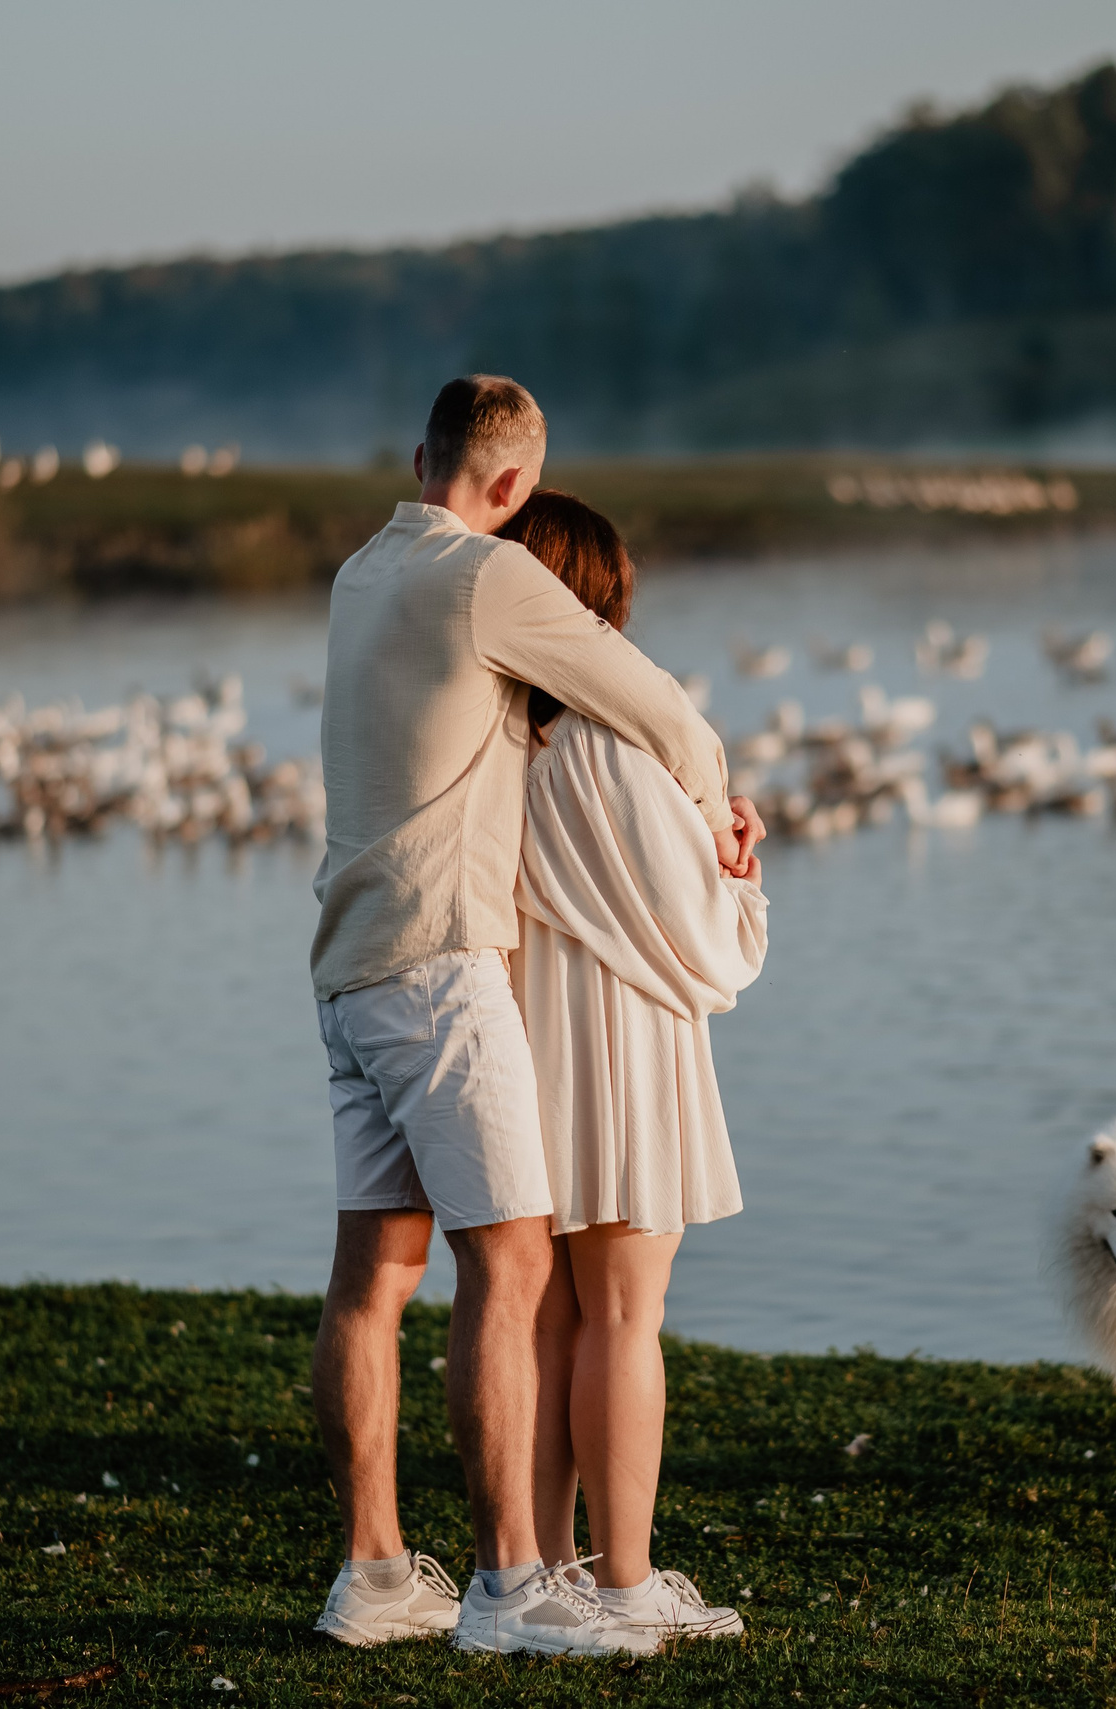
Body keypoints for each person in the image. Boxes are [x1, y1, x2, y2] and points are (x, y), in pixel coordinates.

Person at [304, 376, 764, 1657]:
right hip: (442, 968)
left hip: (346, 965)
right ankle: (515, 1586)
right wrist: (722, 805)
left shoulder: (358, 574)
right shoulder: (485, 575)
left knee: (370, 1281)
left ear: (420, 456)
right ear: (507, 487)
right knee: (511, 1266)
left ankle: (376, 1573)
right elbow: (659, 704)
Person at [497, 493, 768, 1643]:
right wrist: (744, 872)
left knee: (552, 1318)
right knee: (621, 1316)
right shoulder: (620, 751)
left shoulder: (493, 739)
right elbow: (706, 941)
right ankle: (625, 1581)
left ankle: (551, 1569)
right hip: (621, 1047)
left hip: (523, 1042)